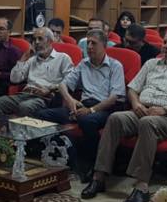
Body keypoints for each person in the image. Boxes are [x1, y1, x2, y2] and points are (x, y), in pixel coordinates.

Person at [81, 30, 167, 202]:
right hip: (142, 110)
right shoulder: (151, 63)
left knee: (148, 123)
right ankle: (98, 177)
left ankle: (141, 185)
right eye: (164, 42)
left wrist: (165, 109)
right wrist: (136, 103)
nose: (166, 46)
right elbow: (132, 88)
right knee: (115, 118)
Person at [35, 29, 125, 176]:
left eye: (93, 43)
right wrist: (70, 101)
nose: (89, 47)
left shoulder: (115, 66)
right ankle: (64, 155)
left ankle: (91, 164)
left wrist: (91, 110)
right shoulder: (84, 64)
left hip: (103, 109)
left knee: (87, 121)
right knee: (42, 115)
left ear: (104, 46)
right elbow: (62, 85)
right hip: (81, 106)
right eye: (88, 43)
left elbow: (114, 97)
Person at [0, 28, 73, 116]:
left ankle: (17, 125)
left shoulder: (62, 58)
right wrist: (23, 58)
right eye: (34, 39)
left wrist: (50, 89)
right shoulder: (32, 59)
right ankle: (0, 125)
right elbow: (14, 79)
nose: (36, 42)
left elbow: (69, 82)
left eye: (40, 39)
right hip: (25, 94)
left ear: (50, 41)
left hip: (45, 98)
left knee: (25, 107)